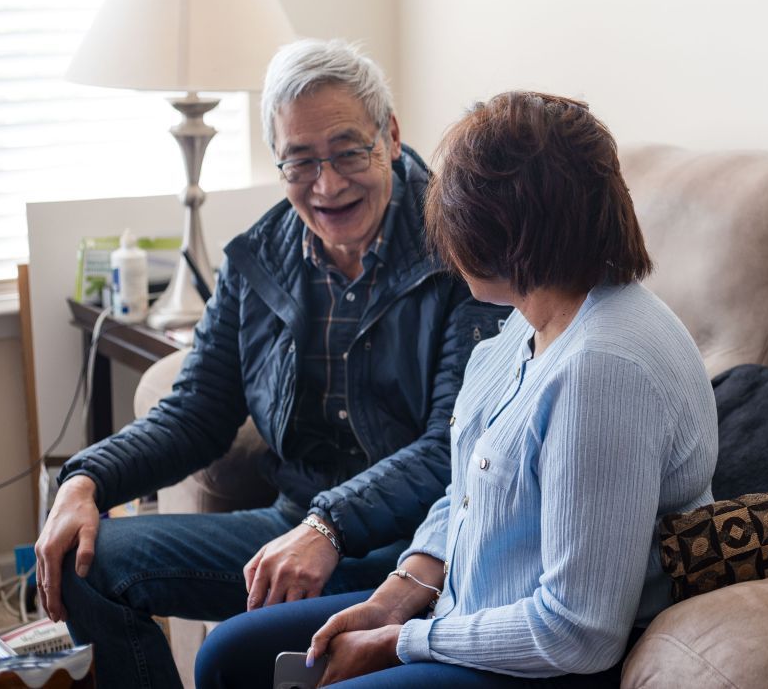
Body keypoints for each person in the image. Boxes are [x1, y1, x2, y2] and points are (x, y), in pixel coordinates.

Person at [195, 91, 719, 688]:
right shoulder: (529, 317)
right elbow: (470, 486)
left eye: (456, 221)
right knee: (230, 657)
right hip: (465, 607)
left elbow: (580, 631)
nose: (444, 246)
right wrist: (396, 596)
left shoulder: (602, 372)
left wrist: (404, 642)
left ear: (515, 233)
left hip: (540, 665)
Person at [34, 39, 508, 689]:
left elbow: (455, 448)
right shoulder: (256, 258)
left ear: (390, 137)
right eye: (301, 161)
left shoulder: (459, 244)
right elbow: (197, 411)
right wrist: (86, 479)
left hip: (418, 551)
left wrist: (331, 522)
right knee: (84, 557)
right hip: (291, 531)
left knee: (229, 655)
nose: (328, 184)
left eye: (348, 150)